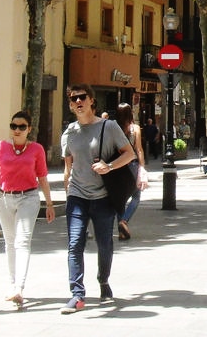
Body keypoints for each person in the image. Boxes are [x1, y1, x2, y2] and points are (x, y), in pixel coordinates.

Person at [60, 84, 136, 314]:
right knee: (75, 244)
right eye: (73, 99)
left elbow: (130, 154)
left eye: (82, 97)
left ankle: (103, 280)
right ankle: (77, 294)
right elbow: (68, 167)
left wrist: (109, 166)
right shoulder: (69, 132)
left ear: (92, 100)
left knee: (104, 244)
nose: (78, 101)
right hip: (77, 196)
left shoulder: (108, 126)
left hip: (103, 197)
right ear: (70, 104)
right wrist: (66, 190)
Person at [0, 111, 56, 308]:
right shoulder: (1, 147)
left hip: (28, 198)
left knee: (22, 241)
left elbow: (42, 177)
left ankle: (19, 287)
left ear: (29, 129)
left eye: (22, 127)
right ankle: (12, 285)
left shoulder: (36, 149)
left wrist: (49, 204)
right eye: (14, 126)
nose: (17, 130)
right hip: (4, 198)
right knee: (10, 242)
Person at [113, 102, 149, 241]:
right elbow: (139, 149)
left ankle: (121, 231)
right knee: (136, 196)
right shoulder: (135, 129)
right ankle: (124, 221)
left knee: (120, 199)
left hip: (117, 166)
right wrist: (142, 166)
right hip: (132, 164)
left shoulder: (113, 128)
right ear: (130, 114)